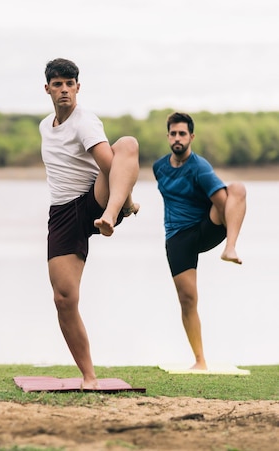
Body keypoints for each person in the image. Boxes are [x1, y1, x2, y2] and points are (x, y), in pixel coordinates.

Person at [40, 58, 140, 389]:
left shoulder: (86, 122)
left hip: (94, 200)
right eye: (58, 84)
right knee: (63, 298)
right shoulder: (45, 126)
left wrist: (121, 205)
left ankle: (112, 214)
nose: (65, 89)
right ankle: (89, 376)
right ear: (48, 89)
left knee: (126, 144)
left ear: (78, 88)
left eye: (70, 84)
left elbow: (111, 166)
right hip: (62, 212)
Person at [153, 112, 246, 370]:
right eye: (173, 133)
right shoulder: (158, 168)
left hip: (206, 227)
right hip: (177, 237)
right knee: (187, 298)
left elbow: (221, 202)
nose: (177, 138)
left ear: (191, 136)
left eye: (182, 133)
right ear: (168, 136)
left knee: (236, 189)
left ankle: (230, 247)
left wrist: (227, 229)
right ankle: (200, 360)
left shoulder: (200, 167)